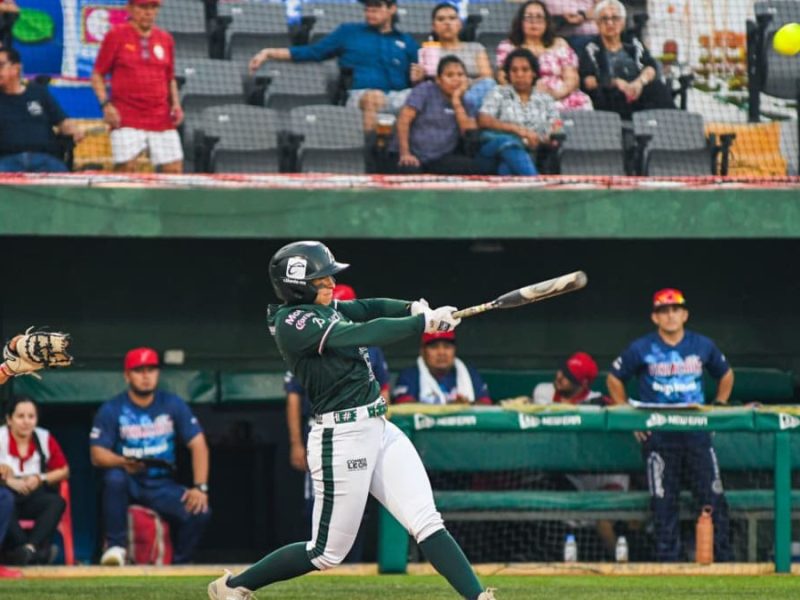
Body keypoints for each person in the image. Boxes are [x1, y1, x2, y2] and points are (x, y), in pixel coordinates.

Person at [208, 240, 496, 600]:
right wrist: (421, 323)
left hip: (379, 428)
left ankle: (480, 597)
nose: (330, 284)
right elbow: (362, 333)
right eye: (322, 279)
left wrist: (414, 307)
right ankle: (233, 588)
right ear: (298, 285)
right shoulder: (292, 322)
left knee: (426, 521)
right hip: (340, 437)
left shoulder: (328, 308)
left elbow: (367, 307)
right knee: (325, 553)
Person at [606, 288, 734, 562]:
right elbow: (614, 379)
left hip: (696, 433)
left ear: (685, 314)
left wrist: (719, 406)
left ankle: (724, 562)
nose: (670, 315)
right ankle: (668, 566)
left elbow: (725, 374)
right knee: (664, 506)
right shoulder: (641, 348)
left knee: (713, 499)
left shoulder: (702, 345)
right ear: (655, 317)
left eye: (675, 309)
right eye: (664, 311)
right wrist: (630, 416)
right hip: (660, 437)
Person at [285, 283, 391, 561]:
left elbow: (384, 387)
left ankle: (350, 564)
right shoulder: (307, 336)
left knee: (357, 507)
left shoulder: (365, 340)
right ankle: (313, 559)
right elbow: (294, 396)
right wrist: (296, 443)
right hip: (326, 427)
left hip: (364, 427)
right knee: (316, 508)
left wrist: (378, 425)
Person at [90, 347, 211, 566]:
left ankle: (179, 564)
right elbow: (97, 454)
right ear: (127, 375)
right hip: (129, 481)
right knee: (113, 478)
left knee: (200, 510)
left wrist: (200, 487)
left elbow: (198, 444)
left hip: (161, 484)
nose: (146, 376)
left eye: (151, 370)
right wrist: (123, 462)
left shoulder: (172, 404)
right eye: (139, 370)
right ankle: (116, 547)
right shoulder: (113, 408)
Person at [248, 0, 423, 131]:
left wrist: (418, 79)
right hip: (361, 96)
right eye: (367, 9)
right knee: (373, 97)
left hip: (398, 96)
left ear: (392, 9)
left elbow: (420, 75)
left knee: (426, 98)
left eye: (376, 8)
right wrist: (269, 53)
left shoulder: (406, 41)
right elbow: (313, 52)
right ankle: (374, 154)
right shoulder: (348, 32)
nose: (370, 13)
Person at [532, 352, 628, 558]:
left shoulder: (596, 400)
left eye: (569, 376)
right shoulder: (543, 392)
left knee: (603, 521)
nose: (560, 377)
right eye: (562, 370)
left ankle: (620, 564)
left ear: (583, 383)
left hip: (604, 474)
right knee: (555, 509)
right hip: (572, 475)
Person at [91, 0, 184, 173]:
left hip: (160, 116)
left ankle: (162, 201)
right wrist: (106, 105)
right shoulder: (116, 35)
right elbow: (97, 75)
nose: (148, 12)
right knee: (126, 170)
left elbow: (169, 78)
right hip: (126, 117)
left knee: (174, 170)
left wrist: (176, 105)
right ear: (130, 9)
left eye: (153, 7)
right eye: (143, 7)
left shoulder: (166, 39)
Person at [0, 397, 69, 565]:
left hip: (32, 494)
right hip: (7, 493)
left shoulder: (43, 437)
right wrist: (7, 480)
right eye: (20, 416)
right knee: (4, 503)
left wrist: (40, 478)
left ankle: (29, 549)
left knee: (56, 502)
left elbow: (64, 470)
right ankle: (34, 554)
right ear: (9, 419)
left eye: (31, 417)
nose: (26, 422)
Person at [578, 0, 674, 120]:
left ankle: (672, 126)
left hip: (639, 91)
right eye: (604, 19)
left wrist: (639, 83)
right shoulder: (591, 48)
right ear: (597, 23)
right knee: (611, 95)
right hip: (612, 98)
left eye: (615, 18)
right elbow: (587, 81)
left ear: (623, 22)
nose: (610, 23)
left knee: (658, 88)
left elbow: (651, 67)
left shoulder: (633, 42)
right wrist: (615, 82)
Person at [394, 55, 486, 175]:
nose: (456, 79)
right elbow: (403, 120)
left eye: (460, 75)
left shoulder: (467, 102)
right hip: (413, 155)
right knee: (409, 170)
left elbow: (469, 135)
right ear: (438, 79)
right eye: (450, 75)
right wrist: (405, 154)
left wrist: (456, 101)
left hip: (440, 158)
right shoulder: (424, 90)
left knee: (472, 167)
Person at [495, 1, 592, 112]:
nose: (534, 22)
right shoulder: (508, 46)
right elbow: (502, 77)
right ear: (520, 22)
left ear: (547, 22)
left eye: (539, 17)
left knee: (583, 102)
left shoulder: (560, 44)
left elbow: (572, 79)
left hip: (559, 96)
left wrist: (555, 94)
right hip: (522, 97)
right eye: (528, 17)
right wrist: (527, 94)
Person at [477, 48, 560, 176]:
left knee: (507, 168)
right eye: (514, 70)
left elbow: (556, 127)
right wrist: (517, 130)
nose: (519, 74)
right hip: (493, 150)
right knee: (509, 143)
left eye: (525, 70)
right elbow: (483, 119)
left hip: (532, 152)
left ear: (533, 73)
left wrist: (545, 138)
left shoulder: (545, 99)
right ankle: (537, 185)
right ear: (508, 74)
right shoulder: (498, 92)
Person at [0, 47, 84, 172]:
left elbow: (63, 122)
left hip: (45, 160)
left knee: (65, 182)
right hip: (7, 162)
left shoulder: (38, 93)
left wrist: (73, 129)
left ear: (16, 68)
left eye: (1, 65)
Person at [394, 330, 491, 405]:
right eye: (434, 347)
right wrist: (450, 408)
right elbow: (403, 406)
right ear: (423, 352)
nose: (441, 352)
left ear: (454, 350)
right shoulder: (410, 375)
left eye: (447, 346)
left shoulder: (469, 373)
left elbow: (486, 405)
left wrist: (466, 407)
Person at [427, 3, 495, 107]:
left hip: (472, 94)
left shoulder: (476, 48)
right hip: (440, 97)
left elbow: (487, 77)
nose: (447, 23)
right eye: (441, 19)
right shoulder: (429, 51)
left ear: (460, 24)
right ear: (434, 26)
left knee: (489, 84)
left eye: (452, 18)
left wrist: (466, 85)